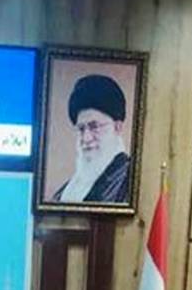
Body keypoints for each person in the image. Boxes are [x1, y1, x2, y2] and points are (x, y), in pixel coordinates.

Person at [52, 74, 132, 204]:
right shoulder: (68, 189)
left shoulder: (130, 179)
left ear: (117, 127)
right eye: (81, 129)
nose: (86, 138)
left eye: (94, 127)